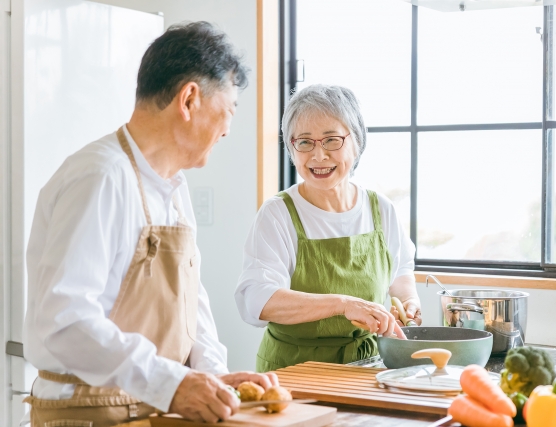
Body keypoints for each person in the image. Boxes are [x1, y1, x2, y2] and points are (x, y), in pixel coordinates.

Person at [22, 22, 276, 427]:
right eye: (229, 109)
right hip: (89, 412)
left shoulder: (175, 186)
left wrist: (210, 377)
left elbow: (191, 298)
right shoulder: (101, 176)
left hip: (152, 406)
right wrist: (172, 384)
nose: (229, 128)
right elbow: (66, 320)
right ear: (189, 99)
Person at [235, 84, 422, 372]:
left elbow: (400, 270)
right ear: (292, 148)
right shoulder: (278, 214)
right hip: (292, 370)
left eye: (332, 140)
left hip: (368, 366)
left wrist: (408, 302)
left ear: (357, 141)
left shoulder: (380, 209)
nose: (318, 156)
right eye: (305, 142)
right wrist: (343, 304)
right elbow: (258, 300)